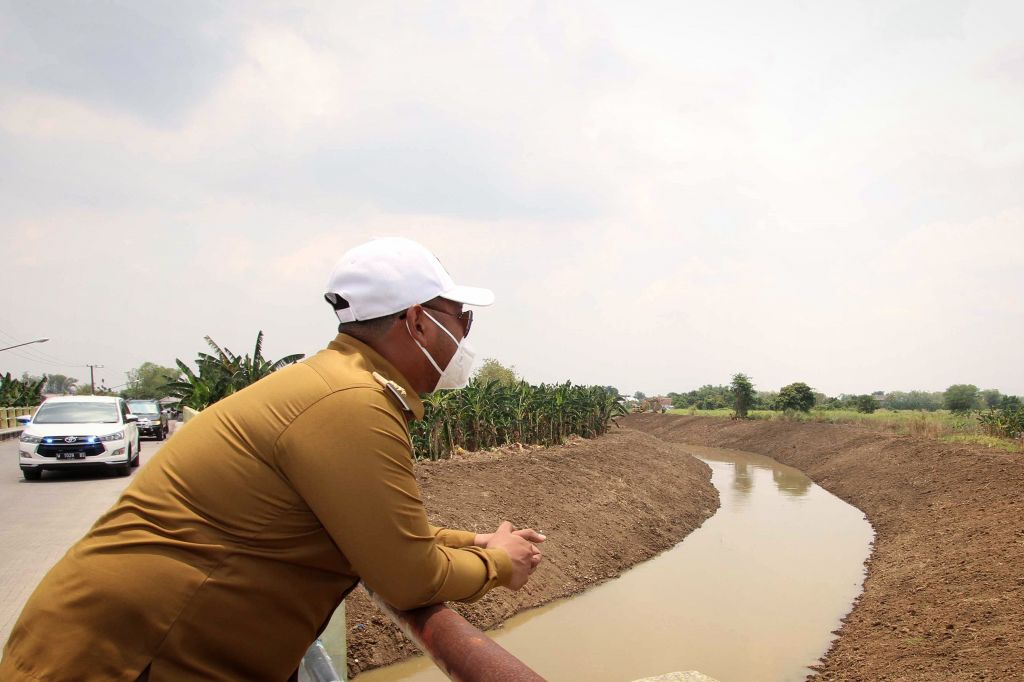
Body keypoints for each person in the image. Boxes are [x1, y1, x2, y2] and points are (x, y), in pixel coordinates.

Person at [0, 237, 544, 681]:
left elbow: (368, 525)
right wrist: (501, 565)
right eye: (462, 318)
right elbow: (409, 578)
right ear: (419, 321)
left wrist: (473, 542)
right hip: (130, 658)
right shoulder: (351, 402)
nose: (464, 334)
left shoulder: (337, 384)